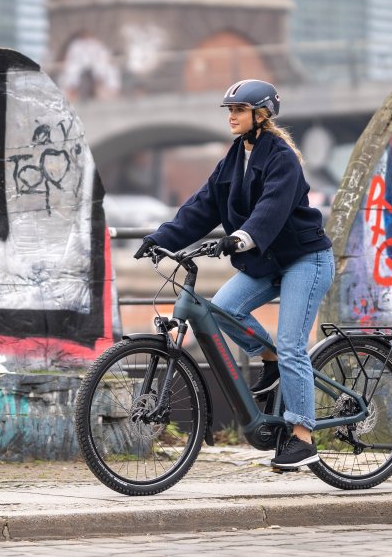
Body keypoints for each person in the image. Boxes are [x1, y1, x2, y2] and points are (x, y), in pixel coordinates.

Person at [134, 79, 334, 469]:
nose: (232, 117)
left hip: (305, 260)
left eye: (239, 110)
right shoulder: (233, 157)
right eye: (229, 111)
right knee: (225, 307)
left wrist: (241, 237)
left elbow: (271, 210)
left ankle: (303, 436)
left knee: (294, 342)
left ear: (261, 115)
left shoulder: (281, 158)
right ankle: (270, 358)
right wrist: (159, 238)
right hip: (267, 263)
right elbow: (202, 206)